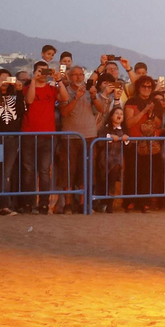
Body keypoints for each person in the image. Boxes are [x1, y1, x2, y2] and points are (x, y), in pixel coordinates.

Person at [20, 63, 67, 214]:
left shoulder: (52, 89)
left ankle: (44, 204)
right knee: (28, 170)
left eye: (44, 71)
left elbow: (65, 97)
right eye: (40, 71)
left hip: (47, 135)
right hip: (29, 134)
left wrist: (58, 80)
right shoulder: (27, 88)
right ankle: (28, 203)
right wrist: (34, 80)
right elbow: (30, 100)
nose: (43, 74)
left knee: (45, 171)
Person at [58, 66, 104, 213]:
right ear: (69, 76)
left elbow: (101, 109)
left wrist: (94, 97)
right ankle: (68, 204)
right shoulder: (65, 91)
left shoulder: (89, 90)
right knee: (68, 171)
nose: (78, 77)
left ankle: (83, 203)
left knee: (86, 171)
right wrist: (76, 98)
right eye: (75, 75)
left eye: (81, 75)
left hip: (89, 136)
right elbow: (64, 112)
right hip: (70, 136)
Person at [0, 72, 26, 216]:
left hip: (12, 138)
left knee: (6, 173)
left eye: (7, 78)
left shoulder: (15, 97)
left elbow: (21, 111)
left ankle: (4, 205)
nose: (4, 81)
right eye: (1, 78)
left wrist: (20, 91)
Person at [123, 77, 165, 211]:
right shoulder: (132, 102)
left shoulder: (155, 103)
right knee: (132, 172)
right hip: (135, 141)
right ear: (138, 87)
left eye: (149, 87)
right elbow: (129, 123)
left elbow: (158, 124)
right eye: (143, 86)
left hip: (150, 143)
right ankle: (129, 201)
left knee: (147, 173)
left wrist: (151, 113)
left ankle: (144, 201)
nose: (146, 89)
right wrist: (143, 111)